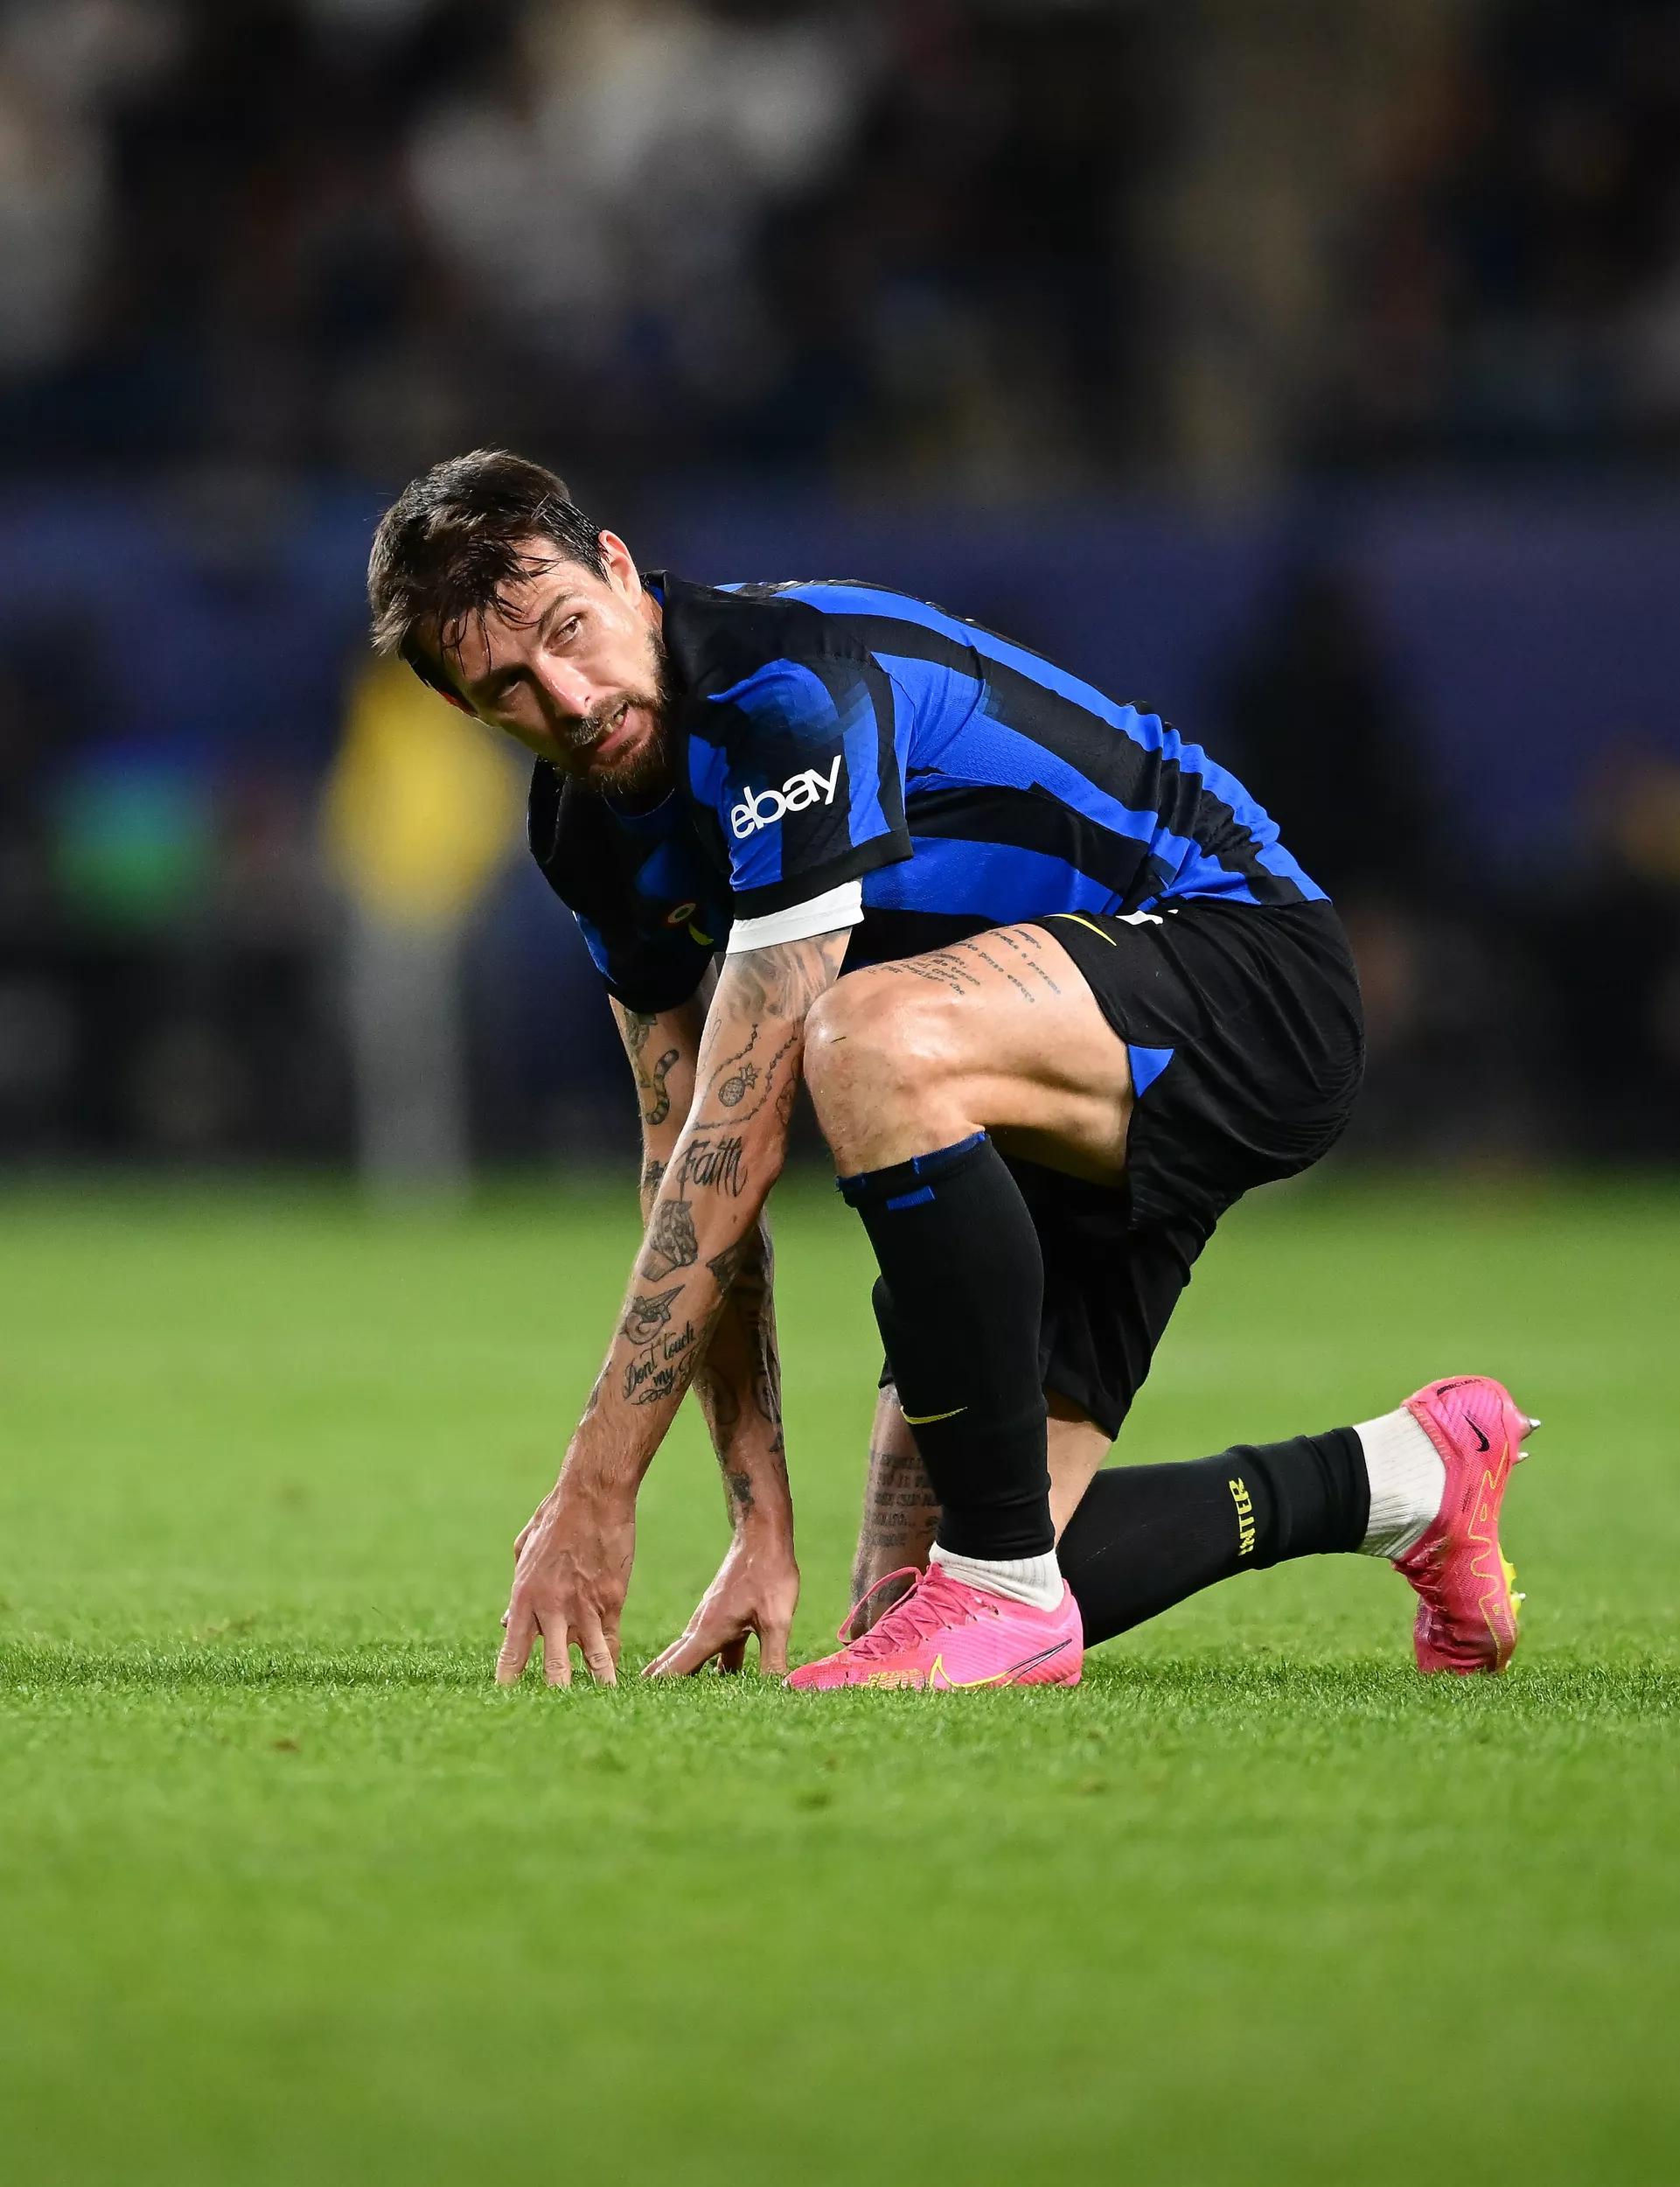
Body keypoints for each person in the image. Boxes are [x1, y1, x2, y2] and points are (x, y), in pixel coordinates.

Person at [365, 449, 1535, 1692]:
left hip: (1239, 971)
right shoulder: (585, 834)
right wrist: (757, 1520)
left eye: (568, 629)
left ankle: (1004, 1585)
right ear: (467, 713)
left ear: (616, 568)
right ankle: (1405, 1476)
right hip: (1019, 1092)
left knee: (862, 1037)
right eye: (508, 685)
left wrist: (597, 1491)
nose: (568, 696)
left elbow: (746, 1123)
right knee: (910, 1597)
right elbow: (687, 1165)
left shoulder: (783, 688)